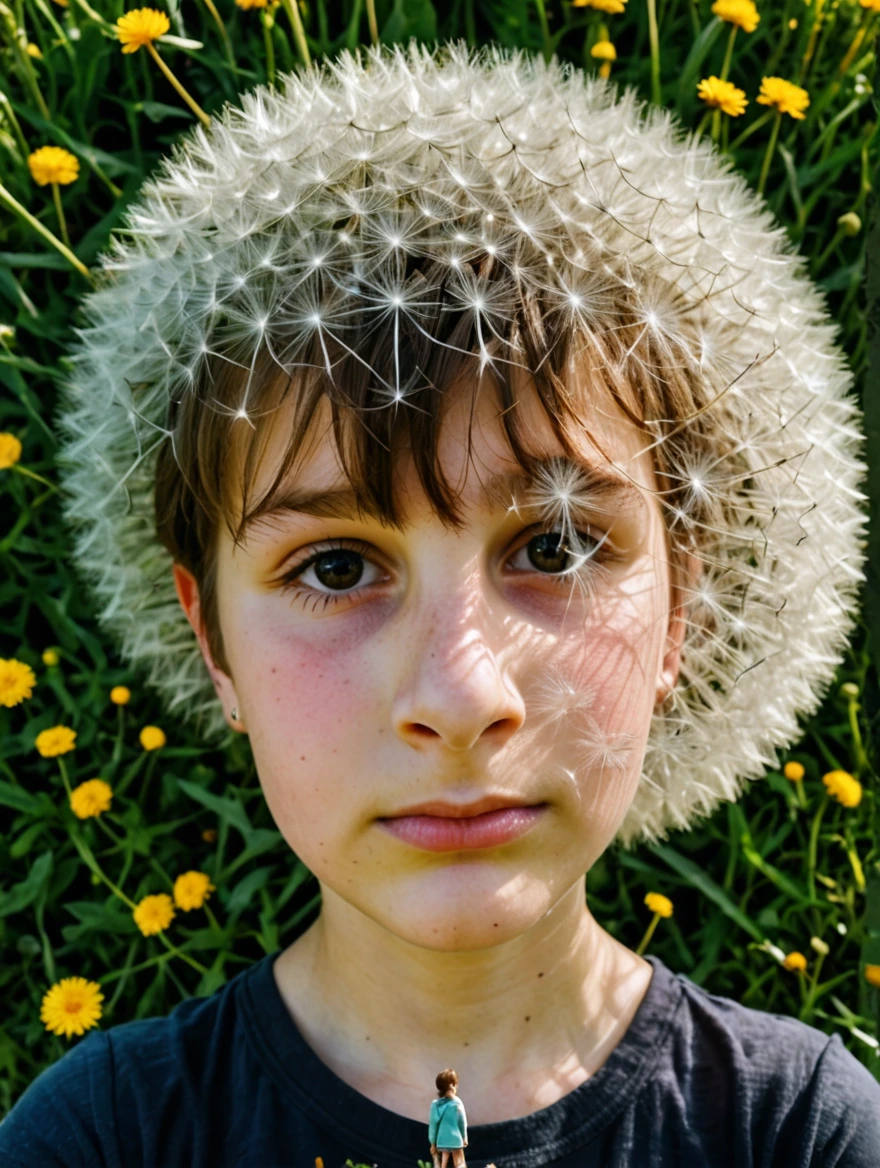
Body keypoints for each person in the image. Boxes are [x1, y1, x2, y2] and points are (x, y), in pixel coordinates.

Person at [1, 37, 878, 1168]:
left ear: (684, 606)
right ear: (209, 635)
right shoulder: (99, 1141)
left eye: (555, 543)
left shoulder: (803, 1135)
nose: (460, 695)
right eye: (333, 566)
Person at [428, 1069, 468, 1168]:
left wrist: (433, 1143)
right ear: (452, 1085)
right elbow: (462, 1122)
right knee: (459, 1163)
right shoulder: (457, 1103)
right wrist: (464, 1137)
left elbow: (433, 1126)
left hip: (442, 1140)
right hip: (456, 1140)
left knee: (444, 1161)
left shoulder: (435, 1105)